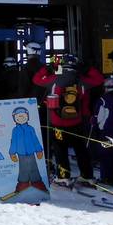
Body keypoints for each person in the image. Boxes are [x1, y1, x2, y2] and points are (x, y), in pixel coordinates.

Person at [33, 54, 104, 185]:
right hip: (76, 122)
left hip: (57, 122)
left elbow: (36, 79)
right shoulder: (82, 80)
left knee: (60, 149)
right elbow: (99, 79)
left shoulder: (53, 79)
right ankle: (87, 175)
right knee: (81, 149)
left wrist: (49, 68)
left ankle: (63, 176)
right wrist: (87, 68)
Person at [91, 77, 113, 186]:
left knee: (105, 154)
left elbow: (99, 116)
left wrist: (94, 122)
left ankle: (107, 178)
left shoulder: (103, 100)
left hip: (105, 131)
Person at [7, 106, 49, 195]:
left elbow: (35, 139)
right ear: (14, 118)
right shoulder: (15, 130)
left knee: (34, 168)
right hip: (21, 154)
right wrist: (12, 153)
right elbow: (13, 142)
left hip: (31, 153)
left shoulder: (30, 129)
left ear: (27, 116)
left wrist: (39, 150)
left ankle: (37, 182)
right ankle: (23, 183)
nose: (21, 118)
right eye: (18, 117)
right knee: (23, 169)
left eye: (23, 116)